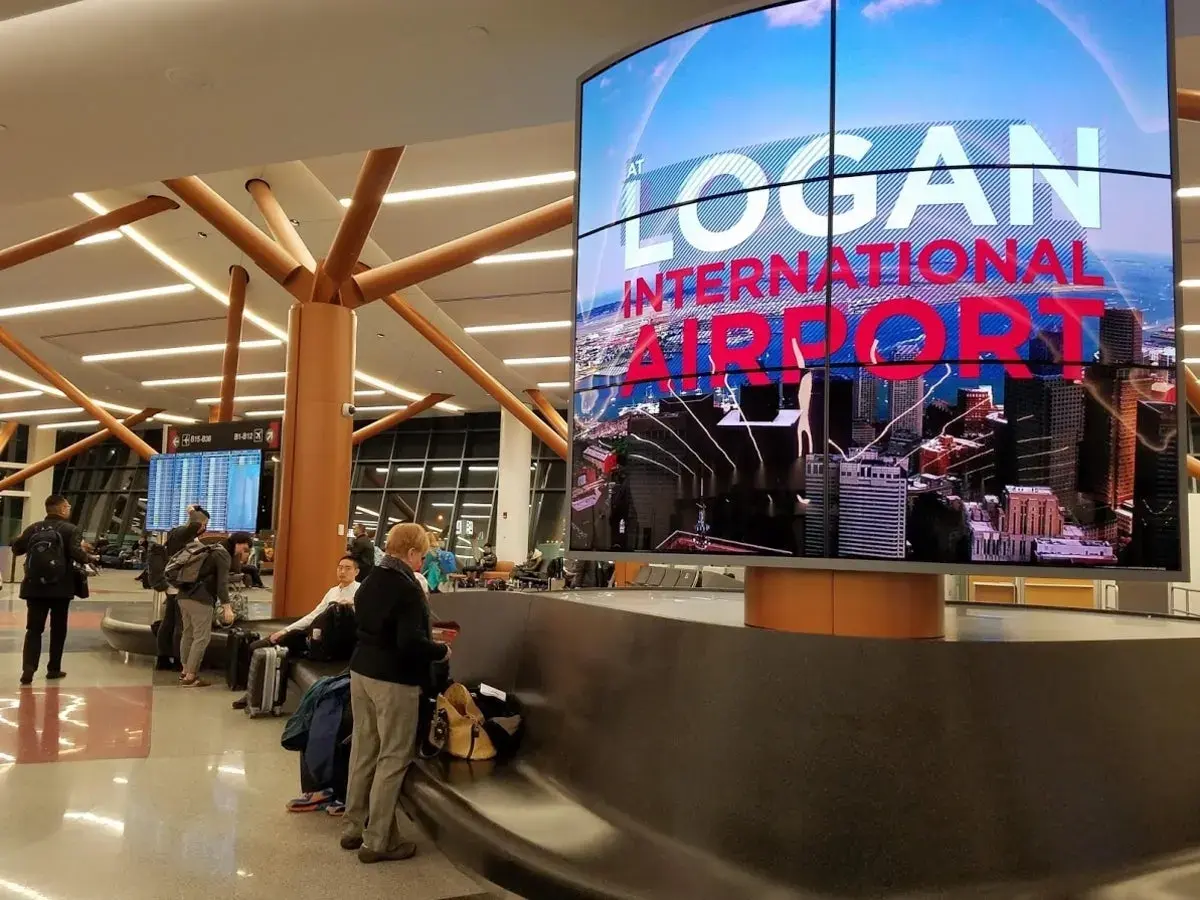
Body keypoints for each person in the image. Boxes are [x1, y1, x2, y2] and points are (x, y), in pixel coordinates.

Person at [341, 523, 450, 864]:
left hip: (361, 672)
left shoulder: (370, 580)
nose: (423, 561)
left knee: (364, 749)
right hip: (393, 680)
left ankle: (353, 826)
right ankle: (378, 842)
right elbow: (410, 642)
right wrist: (440, 651)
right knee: (393, 756)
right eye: (423, 554)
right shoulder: (407, 588)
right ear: (413, 552)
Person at [232, 555, 360, 710]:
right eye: (340, 567)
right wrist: (284, 630)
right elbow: (313, 615)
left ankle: (257, 694)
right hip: (315, 637)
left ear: (356, 572)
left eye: (348, 568)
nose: (342, 571)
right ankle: (254, 693)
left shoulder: (360, 592)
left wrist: (352, 604)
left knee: (287, 646)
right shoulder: (333, 591)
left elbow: (367, 615)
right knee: (267, 646)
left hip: (334, 646)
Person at [12, 495, 88, 686]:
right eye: (67, 506)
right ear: (62, 509)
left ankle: (28, 670)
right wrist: (90, 556)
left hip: (34, 586)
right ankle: (53, 668)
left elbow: (17, 549)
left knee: (33, 629)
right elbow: (76, 553)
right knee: (58, 628)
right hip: (61, 587)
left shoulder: (34, 528)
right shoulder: (71, 529)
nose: (69, 509)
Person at [176, 531, 252, 688]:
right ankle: (190, 677)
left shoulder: (212, 549)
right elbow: (222, 583)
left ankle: (184, 671)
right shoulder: (223, 554)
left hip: (183, 595)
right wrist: (227, 607)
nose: (243, 552)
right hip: (201, 599)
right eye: (245, 548)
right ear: (239, 543)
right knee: (201, 638)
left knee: (188, 634)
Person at [156, 505, 209, 671]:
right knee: (180, 625)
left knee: (168, 622)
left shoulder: (176, 533)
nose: (205, 528)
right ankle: (180, 660)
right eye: (205, 524)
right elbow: (194, 524)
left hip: (171, 581)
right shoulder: (184, 533)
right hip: (179, 583)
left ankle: (163, 658)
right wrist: (194, 512)